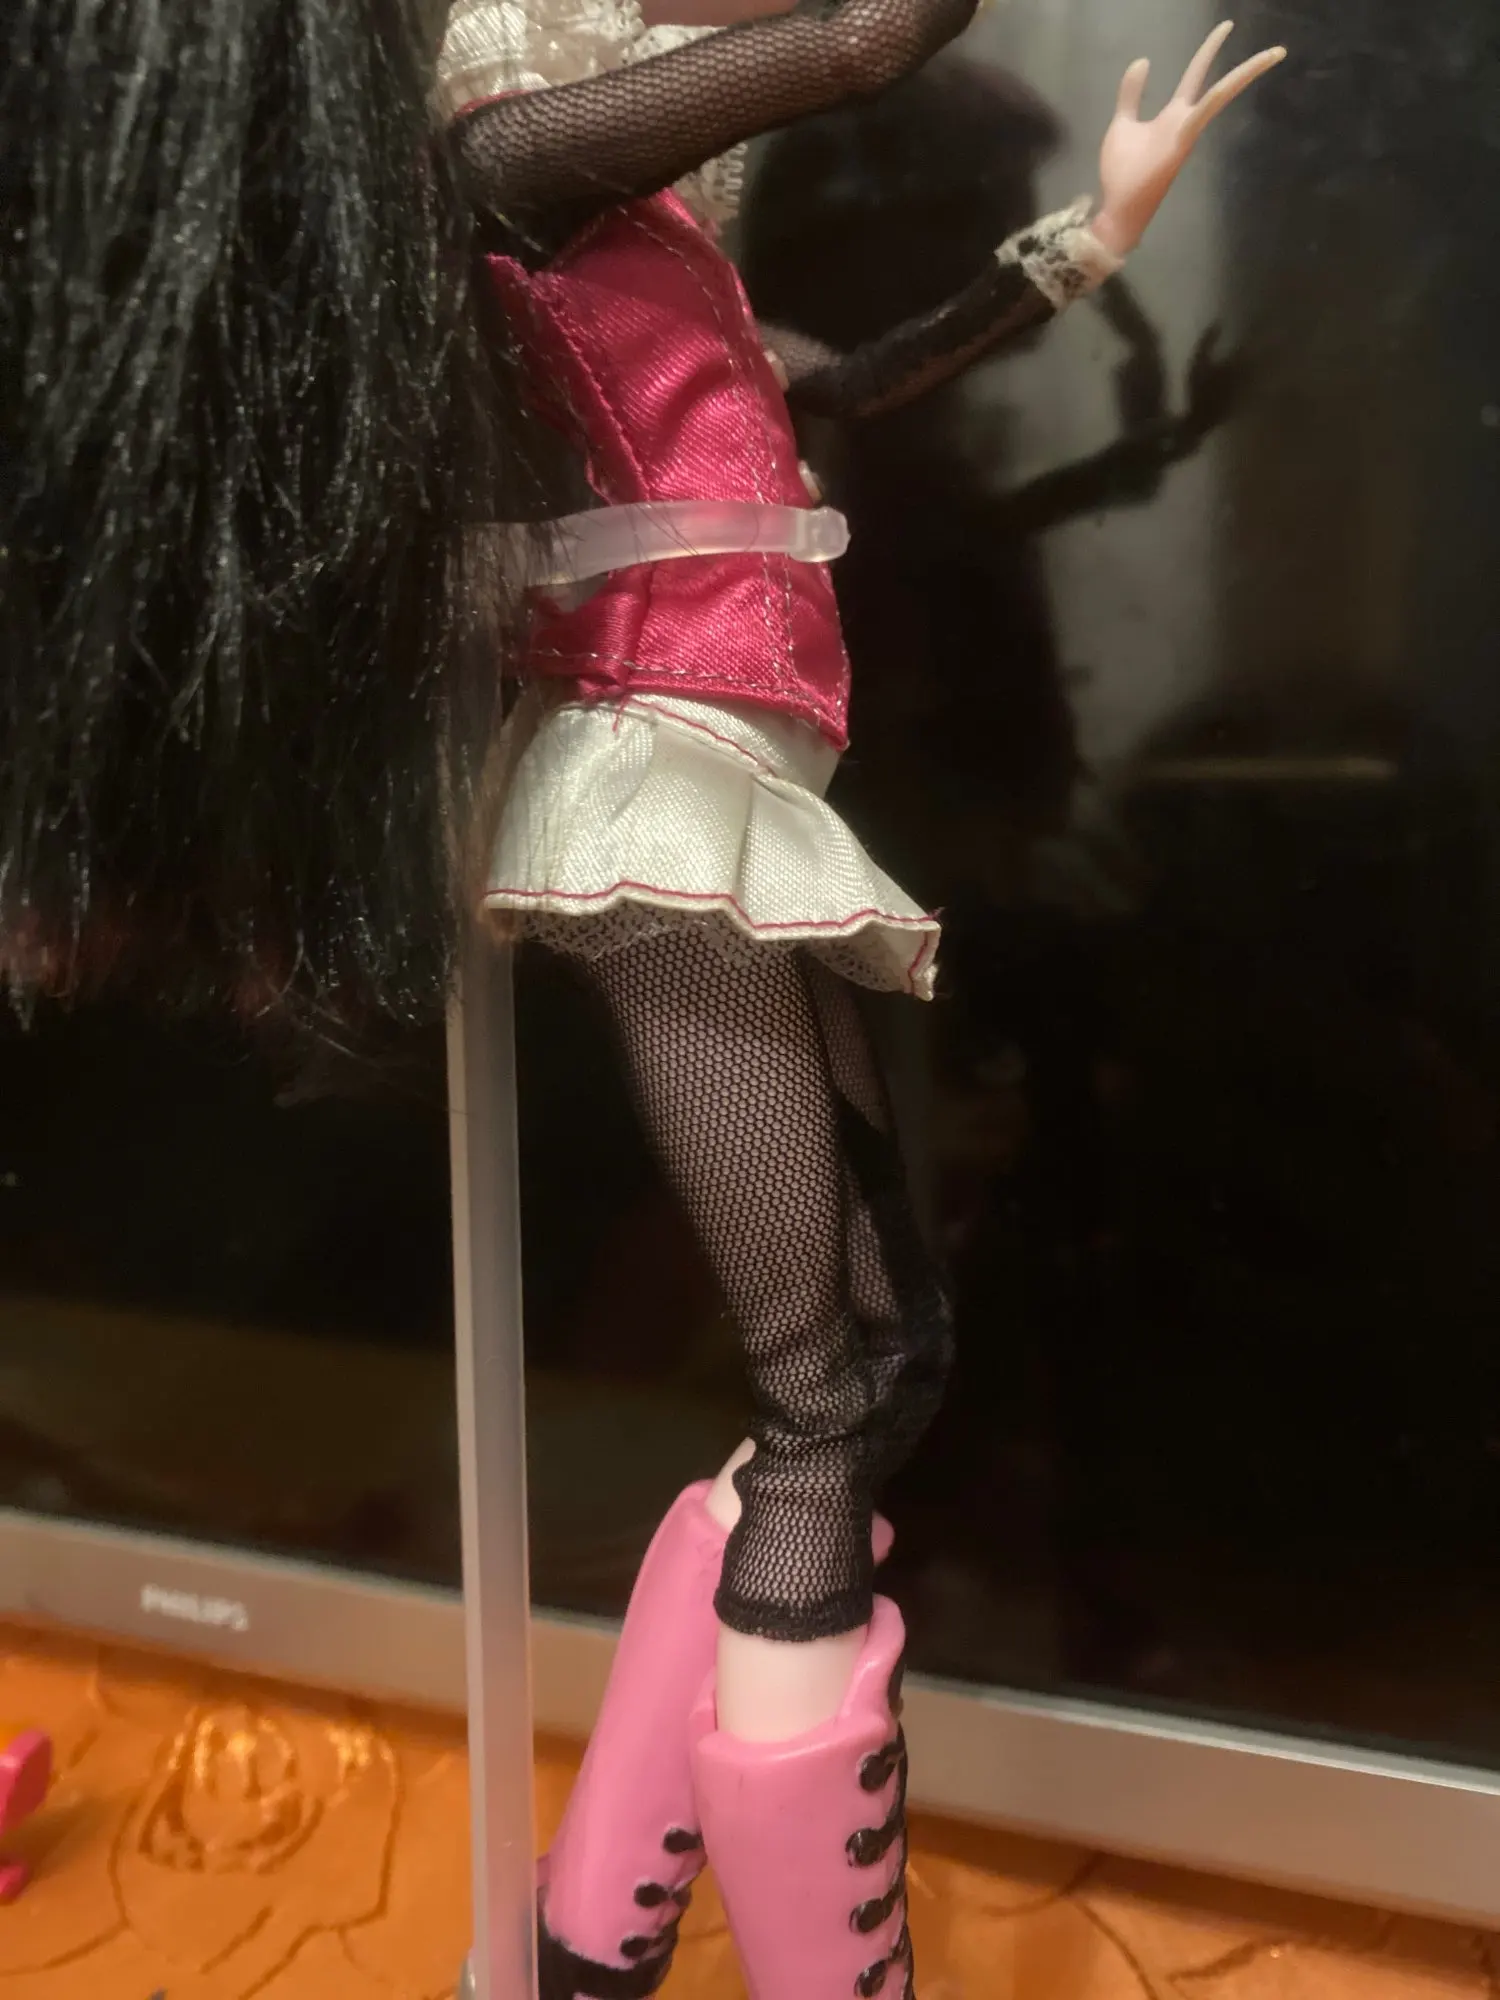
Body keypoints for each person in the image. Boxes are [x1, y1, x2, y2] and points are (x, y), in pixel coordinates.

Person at [438, 4, 1286, 1994]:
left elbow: (866, 375)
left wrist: (1097, 234)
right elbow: (855, 43)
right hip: (654, 772)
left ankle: (585, 1943)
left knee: (880, 1361)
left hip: (734, 774)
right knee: (822, 1394)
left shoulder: (661, 259)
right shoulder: (513, 167)